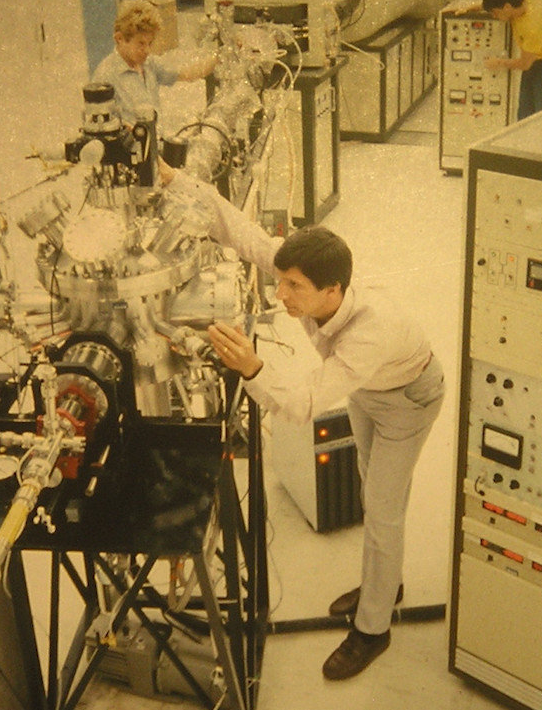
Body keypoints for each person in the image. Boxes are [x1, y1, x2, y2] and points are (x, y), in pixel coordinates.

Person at [158, 160, 445, 681]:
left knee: (382, 508)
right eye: (281, 281)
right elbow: (240, 233)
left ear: (333, 291)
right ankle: (388, 582)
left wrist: (251, 368)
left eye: (293, 287)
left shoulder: (367, 334)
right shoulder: (309, 274)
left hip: (408, 400)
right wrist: (179, 180)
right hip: (370, 393)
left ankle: (373, 627)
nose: (280, 294)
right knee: (368, 488)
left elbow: (306, 403)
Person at [92, 0, 215, 128]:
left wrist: (219, 57)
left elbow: (187, 74)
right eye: (140, 43)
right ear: (119, 39)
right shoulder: (104, 76)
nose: (147, 50)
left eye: (149, 43)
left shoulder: (148, 63)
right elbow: (100, 129)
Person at [465, 0, 542, 120]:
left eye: (495, 13)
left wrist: (499, 62)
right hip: (535, 61)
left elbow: (524, 64)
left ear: (507, 7)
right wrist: (472, 8)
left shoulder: (532, 26)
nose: (494, 16)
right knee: (524, 117)